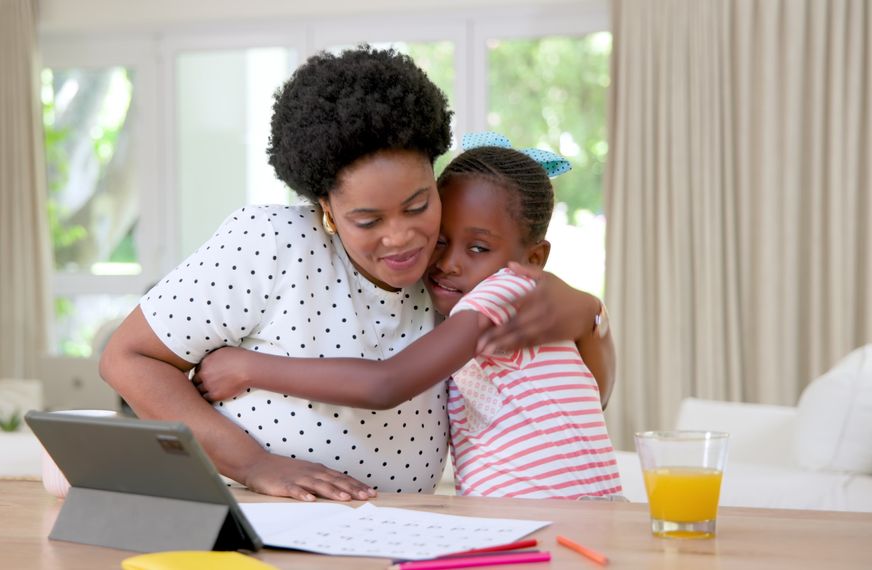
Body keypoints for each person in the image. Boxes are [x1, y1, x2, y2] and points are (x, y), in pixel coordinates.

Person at [99, 46, 614, 502]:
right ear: (326, 208)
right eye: (368, 221)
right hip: (268, 520)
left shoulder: (451, 280)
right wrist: (254, 465)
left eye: (418, 206)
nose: (402, 238)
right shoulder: (272, 241)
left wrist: (589, 311)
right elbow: (129, 358)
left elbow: (584, 393)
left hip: (404, 532)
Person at [193, 133, 621, 499]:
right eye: (440, 241)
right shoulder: (498, 302)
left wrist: (248, 367)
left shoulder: (501, 295)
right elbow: (595, 396)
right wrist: (593, 313)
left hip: (548, 515)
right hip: (566, 510)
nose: (448, 263)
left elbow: (386, 384)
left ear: (534, 258)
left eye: (478, 248)